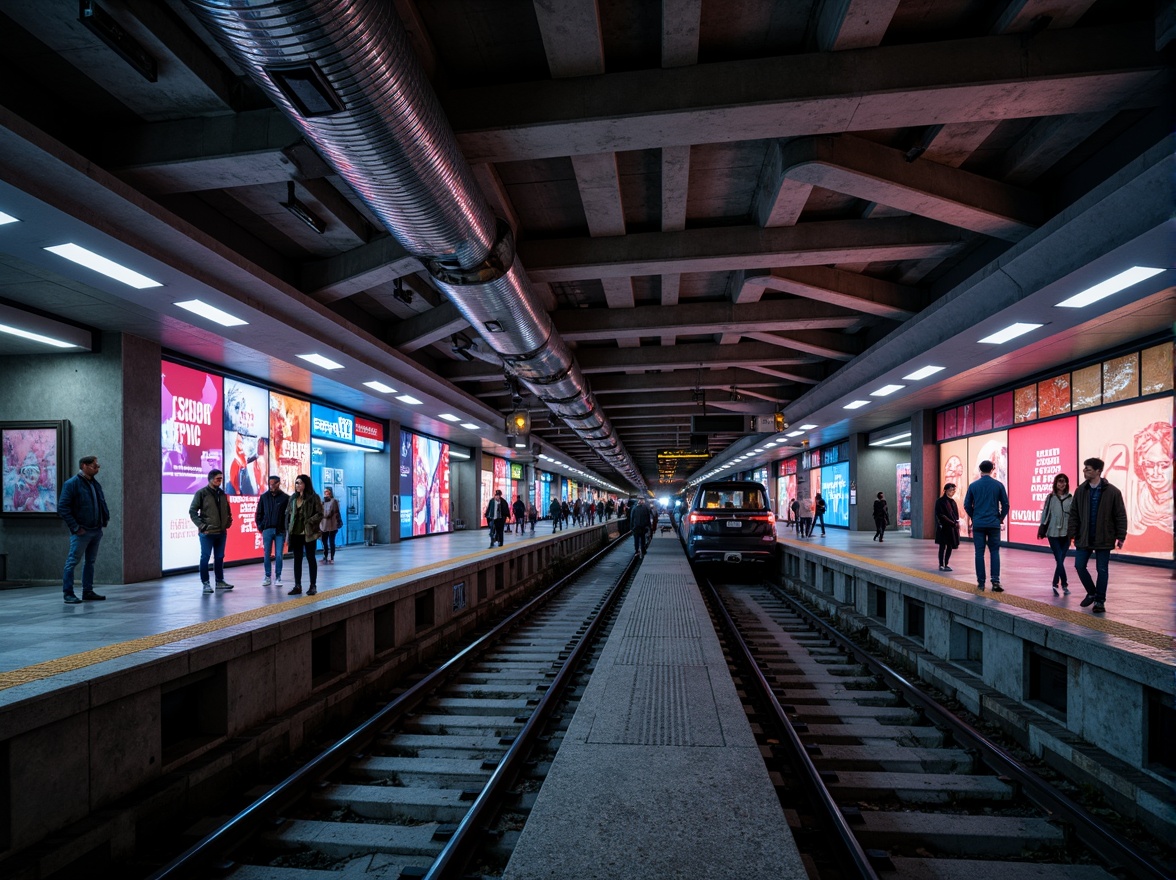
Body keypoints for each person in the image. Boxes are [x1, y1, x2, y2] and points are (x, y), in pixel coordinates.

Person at [1067, 457, 1127, 614]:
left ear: (1098, 471)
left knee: (1102, 570)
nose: (1085, 471)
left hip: (1104, 537)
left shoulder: (1113, 492)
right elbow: (1074, 514)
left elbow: (1120, 515)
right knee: (1079, 566)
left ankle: (1100, 601)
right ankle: (1092, 592)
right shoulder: (1080, 490)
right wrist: (1072, 533)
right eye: (1084, 468)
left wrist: (1121, 536)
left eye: (1088, 469)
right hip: (1084, 536)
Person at [58, 455, 110, 604]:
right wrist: (75, 527)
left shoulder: (94, 484)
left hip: (95, 530)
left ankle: (88, 591)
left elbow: (101, 503)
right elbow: (63, 507)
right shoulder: (72, 484)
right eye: (95, 465)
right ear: (84, 466)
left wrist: (103, 521)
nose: (97, 468)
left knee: (90, 562)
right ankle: (68, 593)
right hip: (82, 531)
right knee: (72, 561)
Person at [963, 459, 1009, 592]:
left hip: (978, 524)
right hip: (993, 523)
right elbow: (1006, 504)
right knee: (995, 552)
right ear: (992, 469)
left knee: (979, 553)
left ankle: (981, 583)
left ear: (980, 470)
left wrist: (974, 516)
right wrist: (1000, 518)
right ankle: (995, 581)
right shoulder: (998, 485)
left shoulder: (973, 486)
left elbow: (967, 505)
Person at [189, 469, 235, 594]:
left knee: (219, 557)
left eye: (221, 479)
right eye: (218, 479)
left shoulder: (222, 493)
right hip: (207, 533)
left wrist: (228, 522)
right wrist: (202, 526)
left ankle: (220, 581)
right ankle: (206, 583)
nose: (220, 481)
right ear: (210, 479)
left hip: (221, 532)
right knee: (205, 557)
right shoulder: (202, 493)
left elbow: (228, 510)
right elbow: (192, 511)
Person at [285, 474, 323, 595]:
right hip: (295, 532)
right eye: (296, 483)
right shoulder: (293, 498)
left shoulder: (313, 498)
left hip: (309, 533)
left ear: (306, 484)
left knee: (311, 558)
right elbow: (289, 514)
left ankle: (313, 585)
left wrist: (310, 521)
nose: (298, 485)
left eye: (300, 483)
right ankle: (297, 585)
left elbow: (320, 513)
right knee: (297, 559)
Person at [1039, 474, 1073, 595]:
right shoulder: (1051, 497)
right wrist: (1042, 527)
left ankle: (1055, 583)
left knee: (1061, 559)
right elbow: (1045, 512)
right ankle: (1064, 584)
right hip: (1053, 531)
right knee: (1059, 558)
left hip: (1066, 532)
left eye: (1064, 482)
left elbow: (1074, 516)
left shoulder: (1070, 498)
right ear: (1055, 483)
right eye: (1059, 482)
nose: (1061, 484)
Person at [255, 475, 289, 586]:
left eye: (274, 483)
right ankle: (267, 576)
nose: (271, 486)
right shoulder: (264, 497)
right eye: (270, 483)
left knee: (279, 555)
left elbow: (288, 515)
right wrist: (261, 527)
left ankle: (278, 577)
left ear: (279, 483)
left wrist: (285, 528)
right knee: (266, 554)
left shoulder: (285, 498)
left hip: (280, 531)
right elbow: (259, 513)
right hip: (267, 530)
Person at [934, 483, 960, 571]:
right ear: (946, 490)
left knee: (949, 546)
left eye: (954, 490)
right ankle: (941, 564)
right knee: (942, 546)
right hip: (944, 527)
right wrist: (952, 523)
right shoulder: (940, 501)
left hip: (952, 528)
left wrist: (956, 523)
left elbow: (956, 515)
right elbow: (940, 515)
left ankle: (946, 564)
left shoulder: (953, 502)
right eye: (951, 490)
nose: (952, 492)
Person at [320, 486, 342, 563]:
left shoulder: (334, 501)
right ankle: (325, 556)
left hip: (332, 525)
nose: (326, 493)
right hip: (323, 525)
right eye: (325, 492)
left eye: (327, 491)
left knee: (331, 541)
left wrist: (321, 514)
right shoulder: (322, 501)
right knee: (324, 541)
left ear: (330, 492)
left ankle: (332, 558)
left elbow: (329, 513)